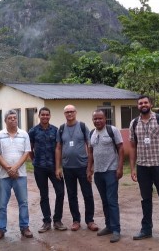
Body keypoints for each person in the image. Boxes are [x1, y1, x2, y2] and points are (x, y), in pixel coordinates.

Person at [129, 95, 159, 243]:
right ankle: (146, 229)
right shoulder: (134, 123)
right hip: (142, 166)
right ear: (138, 106)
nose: (143, 105)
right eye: (140, 103)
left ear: (151, 104)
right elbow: (132, 146)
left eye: (145, 102)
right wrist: (132, 168)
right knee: (145, 199)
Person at [55, 104, 99, 232]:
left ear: (76, 112)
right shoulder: (61, 129)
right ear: (64, 114)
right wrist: (58, 167)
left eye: (71, 111)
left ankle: (90, 220)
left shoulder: (82, 126)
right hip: (68, 168)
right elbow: (58, 148)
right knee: (72, 195)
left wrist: (90, 167)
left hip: (83, 166)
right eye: (67, 112)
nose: (69, 114)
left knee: (87, 194)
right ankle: (76, 220)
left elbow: (90, 146)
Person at [0, 110, 33, 240]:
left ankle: (24, 227)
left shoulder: (24, 134)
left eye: (15, 118)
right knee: (2, 204)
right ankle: (1, 229)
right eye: (10, 118)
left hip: (20, 175)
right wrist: (9, 169)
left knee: (23, 202)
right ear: (5, 121)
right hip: (3, 176)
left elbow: (26, 153)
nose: (13, 120)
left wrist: (14, 168)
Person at [28, 107, 68, 233]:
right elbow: (30, 148)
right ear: (39, 116)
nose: (45, 117)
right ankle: (46, 221)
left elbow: (59, 148)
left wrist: (58, 167)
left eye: (47, 115)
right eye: (43, 115)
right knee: (43, 195)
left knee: (60, 192)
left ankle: (57, 220)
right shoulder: (33, 131)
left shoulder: (56, 130)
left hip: (54, 167)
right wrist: (34, 160)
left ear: (50, 116)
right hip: (39, 168)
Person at [87, 109, 124, 243]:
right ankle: (108, 226)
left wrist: (120, 168)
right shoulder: (92, 133)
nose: (97, 121)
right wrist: (89, 169)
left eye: (100, 118)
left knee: (112, 201)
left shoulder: (112, 130)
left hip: (111, 171)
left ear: (105, 119)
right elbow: (90, 153)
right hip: (98, 173)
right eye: (95, 119)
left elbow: (121, 148)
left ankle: (116, 230)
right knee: (104, 201)